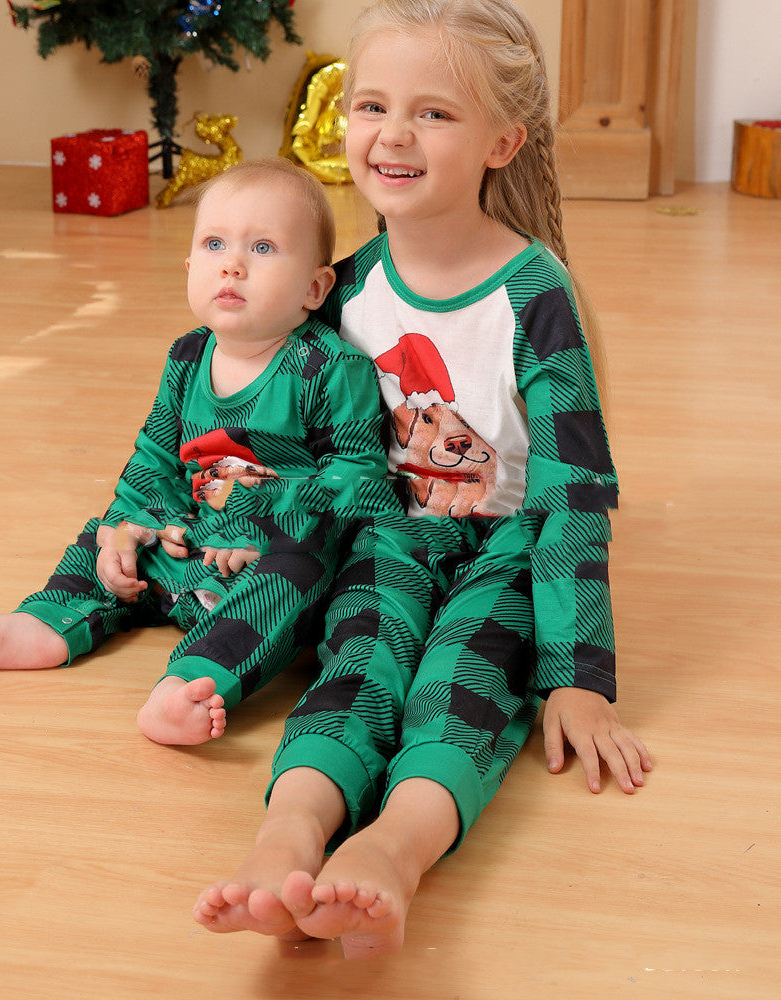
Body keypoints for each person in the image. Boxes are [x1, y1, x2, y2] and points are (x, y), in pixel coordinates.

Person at [193, 0, 653, 958]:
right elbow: (285, 442)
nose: (392, 134)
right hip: (383, 537)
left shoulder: (535, 297)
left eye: (433, 113)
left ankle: (396, 852)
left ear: (501, 140)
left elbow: (574, 489)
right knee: (358, 662)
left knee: (461, 678)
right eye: (370, 105)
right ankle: (287, 832)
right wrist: (218, 531)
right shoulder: (342, 288)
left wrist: (579, 680)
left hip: (505, 546)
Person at [0, 157, 400, 746]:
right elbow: (155, 460)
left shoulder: (330, 367)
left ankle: (192, 679)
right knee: (100, 539)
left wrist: (263, 517)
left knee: (297, 568)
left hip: (270, 555)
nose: (232, 263)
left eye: (262, 248)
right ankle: (44, 624)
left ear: (314, 287)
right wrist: (128, 527)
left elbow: (360, 483)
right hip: (190, 543)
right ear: (189, 266)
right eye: (214, 244)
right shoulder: (187, 357)